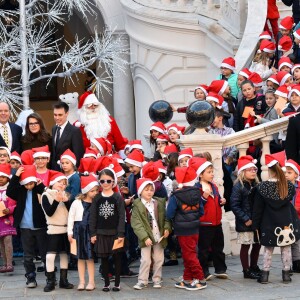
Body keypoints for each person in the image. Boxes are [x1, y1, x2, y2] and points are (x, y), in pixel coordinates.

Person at [252, 154, 298, 284]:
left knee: (268, 249)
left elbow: (258, 209)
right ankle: (286, 275)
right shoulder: (287, 186)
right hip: (285, 222)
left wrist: (255, 225)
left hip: (268, 222)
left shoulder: (262, 188)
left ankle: (265, 275)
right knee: (286, 248)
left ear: (269, 171)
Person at [6, 165, 47, 288]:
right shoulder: (20, 190)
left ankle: (50, 277)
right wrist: (17, 175)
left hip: (40, 226)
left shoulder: (38, 188)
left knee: (45, 253)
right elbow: (9, 191)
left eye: (31, 183)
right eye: (26, 184)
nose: (29, 186)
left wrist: (39, 184)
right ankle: (30, 276)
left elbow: (47, 193)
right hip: (25, 227)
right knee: (28, 254)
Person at [167, 166, 207, 291]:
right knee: (189, 253)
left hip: (182, 228)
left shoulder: (176, 196)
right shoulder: (197, 193)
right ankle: (187, 278)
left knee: (189, 255)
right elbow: (201, 211)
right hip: (195, 227)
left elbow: (169, 214)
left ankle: (200, 278)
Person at [131, 178, 171, 290]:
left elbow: (166, 218)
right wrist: (144, 237)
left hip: (159, 235)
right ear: (140, 192)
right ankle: (142, 280)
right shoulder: (137, 205)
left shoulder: (158, 203)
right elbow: (136, 224)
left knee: (159, 258)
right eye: (146, 190)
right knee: (145, 259)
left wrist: (167, 229)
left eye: (151, 190)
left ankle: (157, 278)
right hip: (146, 237)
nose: (149, 192)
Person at [89, 168, 125, 292]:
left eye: (108, 181)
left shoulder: (117, 197)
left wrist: (121, 233)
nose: (105, 183)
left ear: (113, 182)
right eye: (102, 181)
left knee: (117, 258)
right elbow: (93, 216)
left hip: (115, 233)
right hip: (101, 232)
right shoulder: (97, 198)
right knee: (103, 259)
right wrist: (93, 233)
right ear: (99, 182)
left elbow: (121, 216)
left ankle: (118, 283)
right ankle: (106, 283)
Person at [41, 171, 74, 292]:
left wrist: (65, 201)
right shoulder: (46, 195)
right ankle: (50, 281)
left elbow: (71, 212)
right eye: (60, 182)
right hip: (53, 228)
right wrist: (56, 200)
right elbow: (49, 212)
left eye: (64, 183)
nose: (62, 185)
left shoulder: (67, 195)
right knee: (50, 256)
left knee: (64, 254)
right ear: (53, 183)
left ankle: (63, 280)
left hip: (66, 229)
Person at [195, 158, 228, 280]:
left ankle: (220, 269)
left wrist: (221, 202)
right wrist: (204, 196)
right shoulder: (197, 188)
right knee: (203, 250)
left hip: (216, 222)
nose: (212, 174)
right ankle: (203, 271)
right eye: (209, 172)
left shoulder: (213, 186)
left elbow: (216, 200)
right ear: (201, 174)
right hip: (204, 223)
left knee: (218, 247)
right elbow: (198, 206)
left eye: (212, 171)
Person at [230, 156, 261, 279]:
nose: (253, 171)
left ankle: (254, 266)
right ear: (243, 172)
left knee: (257, 244)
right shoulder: (238, 186)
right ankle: (246, 270)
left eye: (254, 169)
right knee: (246, 245)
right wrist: (245, 219)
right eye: (250, 170)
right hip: (246, 222)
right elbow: (234, 205)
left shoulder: (257, 185)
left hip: (257, 221)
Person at [68, 175, 99, 291]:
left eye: (96, 190)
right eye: (92, 191)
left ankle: (91, 281)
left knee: (90, 258)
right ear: (86, 191)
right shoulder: (77, 202)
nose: (95, 193)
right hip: (78, 232)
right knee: (80, 258)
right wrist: (69, 232)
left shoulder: (96, 203)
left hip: (90, 233)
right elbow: (71, 217)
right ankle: (81, 281)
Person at [51, 102, 84, 171]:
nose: (57, 118)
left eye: (60, 115)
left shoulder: (74, 131)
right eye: (55, 115)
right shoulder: (54, 129)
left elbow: (78, 155)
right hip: (55, 171)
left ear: (67, 114)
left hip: (68, 172)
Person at [0, 163, 16, 274]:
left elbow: (15, 204)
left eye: (3, 177)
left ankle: (10, 263)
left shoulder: (10, 190)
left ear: (8, 178)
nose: (1, 179)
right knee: (1, 242)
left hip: (7, 220)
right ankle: (5, 263)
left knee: (7, 240)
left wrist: (9, 210)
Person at [284, 159, 300, 273]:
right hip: (286, 218)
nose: (286, 175)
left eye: (289, 173)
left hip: (298, 217)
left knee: (297, 241)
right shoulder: (283, 187)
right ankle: (287, 265)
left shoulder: (299, 187)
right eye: (285, 172)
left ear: (296, 174)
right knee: (287, 241)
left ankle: (297, 263)